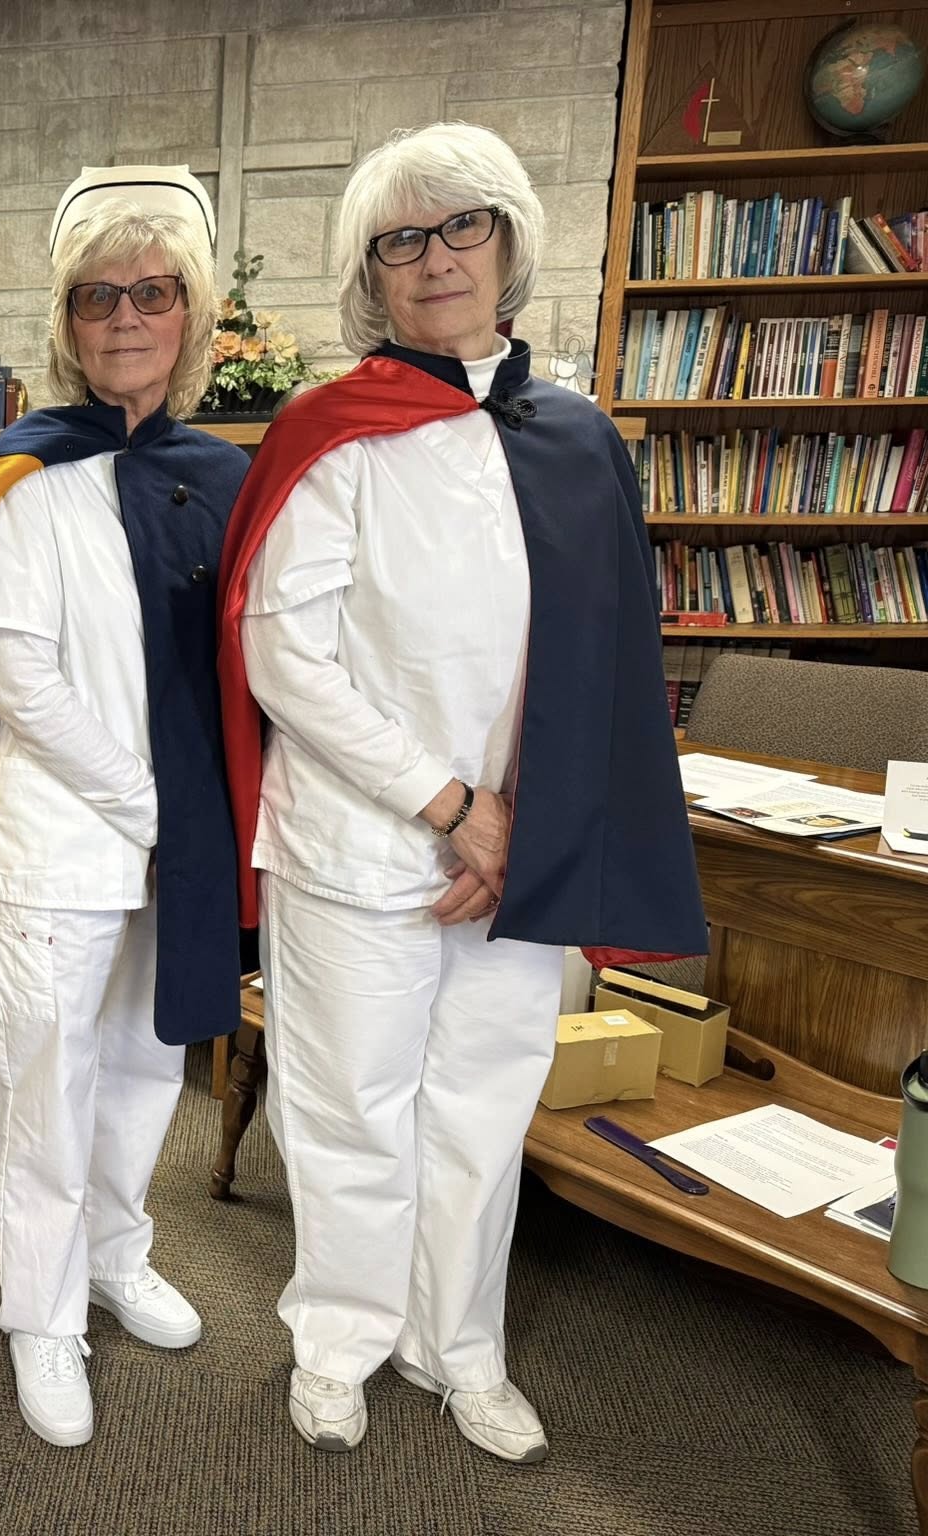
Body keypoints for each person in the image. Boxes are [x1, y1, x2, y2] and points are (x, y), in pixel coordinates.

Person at [216, 123, 707, 1463]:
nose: (434, 259)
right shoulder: (334, 433)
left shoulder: (577, 434)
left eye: (461, 228)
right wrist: (450, 805)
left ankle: (458, 1347)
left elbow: (607, 656)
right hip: (363, 842)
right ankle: (339, 1337)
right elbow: (281, 650)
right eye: (401, 240)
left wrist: (524, 819)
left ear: (508, 245)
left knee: (486, 1106)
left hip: (525, 845)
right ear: (369, 273)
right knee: (351, 1103)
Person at [0, 168, 252, 1441]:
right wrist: (141, 802)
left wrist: (186, 823)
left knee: (143, 1063)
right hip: (64, 839)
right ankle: (40, 1313)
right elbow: (14, 670)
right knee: (47, 1081)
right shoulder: (22, 479)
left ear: (189, 316)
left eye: (152, 292)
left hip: (173, 845)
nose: (124, 316)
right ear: (65, 324)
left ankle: (114, 1255)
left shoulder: (216, 474)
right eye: (97, 296)